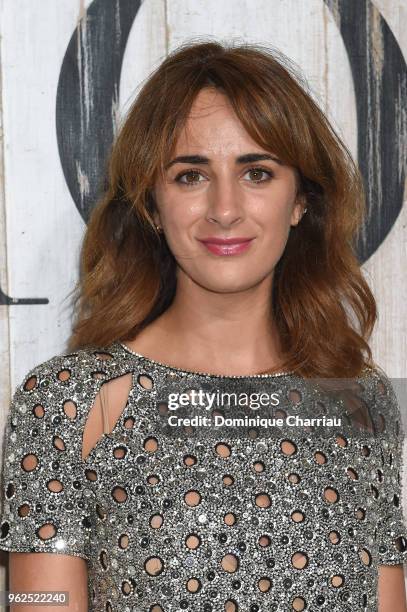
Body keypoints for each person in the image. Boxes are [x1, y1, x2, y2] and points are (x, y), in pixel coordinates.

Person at [0, 39, 406, 611]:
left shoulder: (360, 403)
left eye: (257, 172)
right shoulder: (70, 403)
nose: (224, 208)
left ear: (300, 202)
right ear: (150, 205)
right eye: (191, 176)